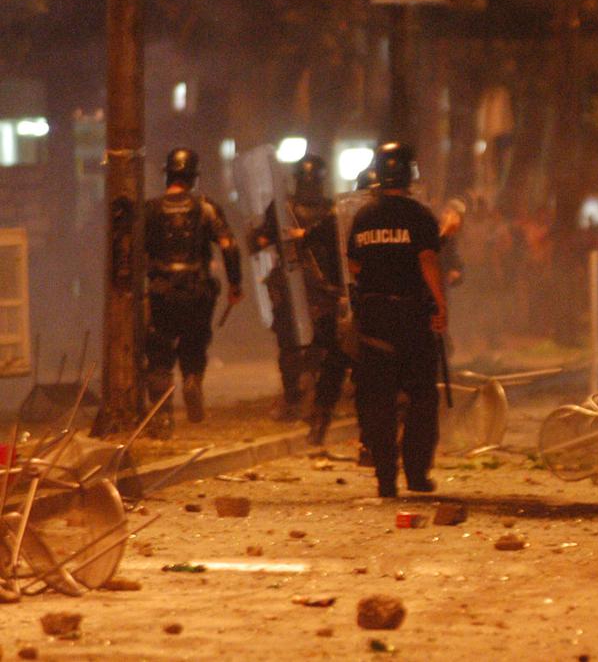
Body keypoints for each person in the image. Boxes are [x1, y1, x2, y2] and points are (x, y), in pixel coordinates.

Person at [346, 142, 448, 498]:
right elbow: (428, 262)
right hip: (411, 317)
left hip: (373, 318)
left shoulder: (363, 217)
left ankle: (385, 479)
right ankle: (417, 474)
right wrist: (439, 304)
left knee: (377, 400)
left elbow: (354, 265)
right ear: (409, 174)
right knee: (421, 397)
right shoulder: (420, 216)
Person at [142, 148, 243, 437]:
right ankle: (192, 379)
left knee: (159, 355)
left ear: (168, 175)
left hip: (161, 291)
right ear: (193, 177)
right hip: (196, 291)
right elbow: (228, 245)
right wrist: (235, 285)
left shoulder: (150, 209)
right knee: (194, 344)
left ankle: (161, 420)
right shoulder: (206, 207)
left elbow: (134, 252)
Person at [251, 154, 347, 443]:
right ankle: (308, 392)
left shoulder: (283, 208)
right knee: (322, 341)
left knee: (290, 342)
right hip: (321, 287)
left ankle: (295, 395)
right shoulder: (332, 210)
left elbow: (260, 241)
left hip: (293, 283)